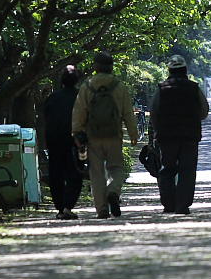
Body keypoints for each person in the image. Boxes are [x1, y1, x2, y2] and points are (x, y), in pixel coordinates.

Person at [71, 51, 138, 219]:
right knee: (116, 168)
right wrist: (133, 133)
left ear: (95, 67)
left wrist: (77, 132)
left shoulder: (88, 86)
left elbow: (79, 112)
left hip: (93, 137)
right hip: (114, 135)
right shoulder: (119, 86)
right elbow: (128, 112)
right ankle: (113, 191)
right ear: (111, 67)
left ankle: (101, 209)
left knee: (97, 173)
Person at [150, 54, 210, 214]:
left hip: (166, 136)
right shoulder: (193, 87)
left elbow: (154, 112)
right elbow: (204, 111)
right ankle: (182, 205)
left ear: (169, 70)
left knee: (167, 170)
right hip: (189, 136)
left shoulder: (161, 88)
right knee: (187, 171)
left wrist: (157, 131)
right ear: (185, 69)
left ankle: (168, 204)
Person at [40, 65, 82, 220]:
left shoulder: (52, 98)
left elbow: (46, 117)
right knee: (75, 173)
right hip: (74, 141)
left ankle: (60, 207)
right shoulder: (80, 97)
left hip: (54, 140)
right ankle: (67, 205)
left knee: (55, 173)